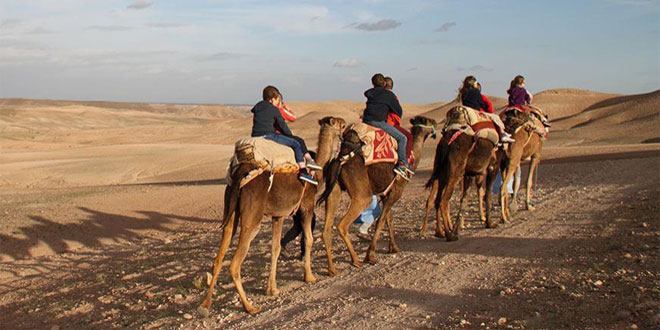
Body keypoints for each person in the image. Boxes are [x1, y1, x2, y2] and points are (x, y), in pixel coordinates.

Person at [250, 85, 318, 185]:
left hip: (255, 136)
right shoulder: (274, 109)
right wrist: (290, 137)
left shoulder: (257, 107)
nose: (278, 103)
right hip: (268, 135)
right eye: (278, 100)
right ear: (273, 99)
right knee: (296, 144)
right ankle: (303, 171)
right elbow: (283, 127)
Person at [363, 73, 412, 178]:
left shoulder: (370, 93)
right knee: (403, 138)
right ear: (384, 83)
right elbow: (398, 111)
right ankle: (402, 164)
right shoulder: (389, 95)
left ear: (372, 84)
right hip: (379, 122)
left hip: (366, 120)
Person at [458, 76, 515, 143]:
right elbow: (483, 104)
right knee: (495, 117)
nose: (477, 84)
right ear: (473, 84)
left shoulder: (464, 94)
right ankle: (502, 134)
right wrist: (486, 110)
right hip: (476, 112)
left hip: (467, 112)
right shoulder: (476, 93)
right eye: (476, 83)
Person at [274, 95, 323, 171]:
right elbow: (293, 117)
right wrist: (286, 108)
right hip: (279, 134)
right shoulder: (278, 110)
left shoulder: (266, 110)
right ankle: (308, 160)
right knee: (299, 141)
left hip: (271, 133)